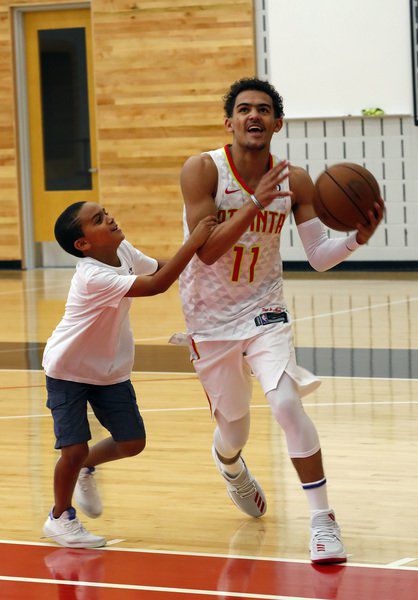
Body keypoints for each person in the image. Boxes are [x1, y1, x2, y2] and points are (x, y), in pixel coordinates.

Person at [177, 77, 383, 563]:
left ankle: (322, 521)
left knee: (287, 404)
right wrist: (255, 202)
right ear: (228, 122)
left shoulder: (299, 180)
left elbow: (317, 256)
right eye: (244, 109)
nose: (254, 116)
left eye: (264, 110)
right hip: (208, 317)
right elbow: (206, 253)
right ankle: (230, 465)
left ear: (277, 123)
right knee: (235, 429)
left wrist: (358, 238)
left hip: (264, 308)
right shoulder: (203, 169)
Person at [42, 201, 217, 548]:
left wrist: (205, 266)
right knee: (72, 451)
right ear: (83, 244)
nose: (108, 218)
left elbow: (159, 268)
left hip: (109, 367)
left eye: (104, 212)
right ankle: (59, 518)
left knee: (131, 443)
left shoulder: (121, 249)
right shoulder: (92, 276)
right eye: (97, 220)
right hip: (68, 369)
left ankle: (85, 468)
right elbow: (155, 284)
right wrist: (195, 241)